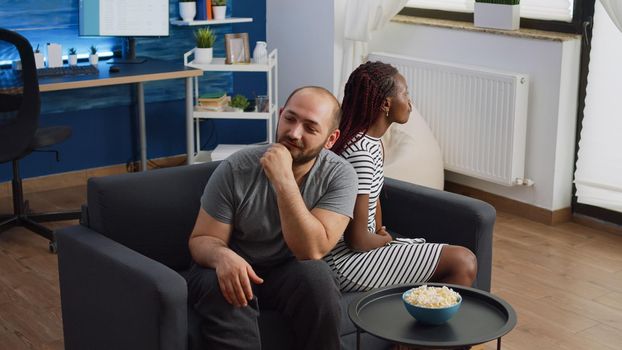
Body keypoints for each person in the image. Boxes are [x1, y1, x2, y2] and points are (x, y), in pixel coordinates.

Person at [186, 86, 358, 350]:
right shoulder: (237, 168)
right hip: (231, 266)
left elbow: (311, 250)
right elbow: (202, 239)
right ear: (280, 115)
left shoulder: (340, 176)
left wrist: (284, 181)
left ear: (331, 138)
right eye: (290, 118)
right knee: (220, 281)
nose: (294, 132)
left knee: (317, 275)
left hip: (286, 273)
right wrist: (223, 256)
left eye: (310, 128)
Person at [325, 61, 478, 293]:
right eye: (405, 94)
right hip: (346, 262)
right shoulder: (361, 153)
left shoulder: (370, 142)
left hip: (361, 250)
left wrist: (378, 232)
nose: (410, 102)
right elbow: (356, 240)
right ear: (386, 103)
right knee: (463, 261)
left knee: (456, 258)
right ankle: (429, 325)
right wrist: (384, 241)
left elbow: (372, 199)